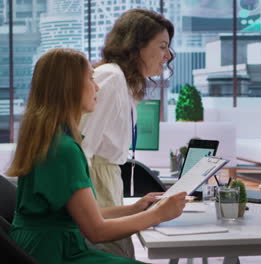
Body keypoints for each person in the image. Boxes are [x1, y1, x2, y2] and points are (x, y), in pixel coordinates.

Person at [7, 48, 187, 264]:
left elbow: (84, 215)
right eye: (91, 78)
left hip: (41, 247)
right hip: (54, 254)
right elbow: (96, 231)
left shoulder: (52, 141)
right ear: (69, 88)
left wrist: (133, 209)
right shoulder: (63, 150)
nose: (97, 86)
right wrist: (159, 215)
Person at [79, 8, 174, 258]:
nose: (167, 56)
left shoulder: (123, 83)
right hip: (94, 183)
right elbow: (81, 149)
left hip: (105, 181)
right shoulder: (110, 78)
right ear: (137, 45)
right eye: (162, 46)